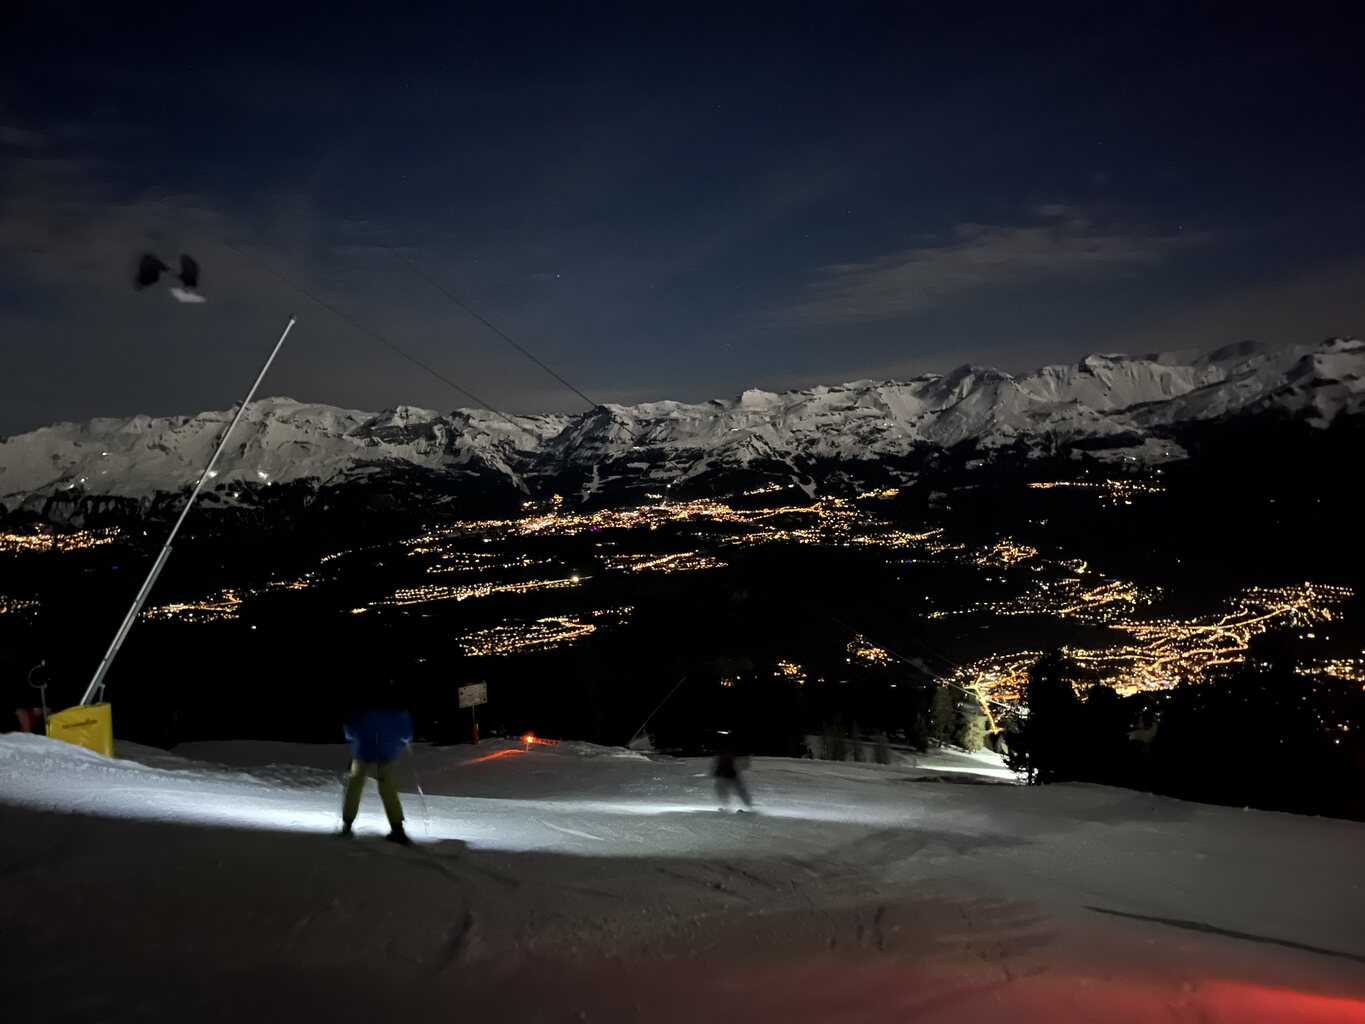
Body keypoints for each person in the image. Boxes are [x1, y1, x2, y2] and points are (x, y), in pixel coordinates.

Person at [339, 677, 414, 844]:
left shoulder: (361, 709)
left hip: (364, 749)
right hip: (388, 750)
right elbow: (407, 734)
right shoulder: (399, 708)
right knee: (387, 785)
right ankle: (397, 827)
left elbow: (350, 732)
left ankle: (347, 822)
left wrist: (353, 736)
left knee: (356, 782)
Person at [713, 742, 753, 811]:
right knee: (720, 788)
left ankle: (749, 806)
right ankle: (726, 805)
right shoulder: (723, 756)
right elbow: (718, 764)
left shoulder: (735, 755)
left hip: (732, 775)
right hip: (724, 775)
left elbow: (745, 765)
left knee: (740, 790)